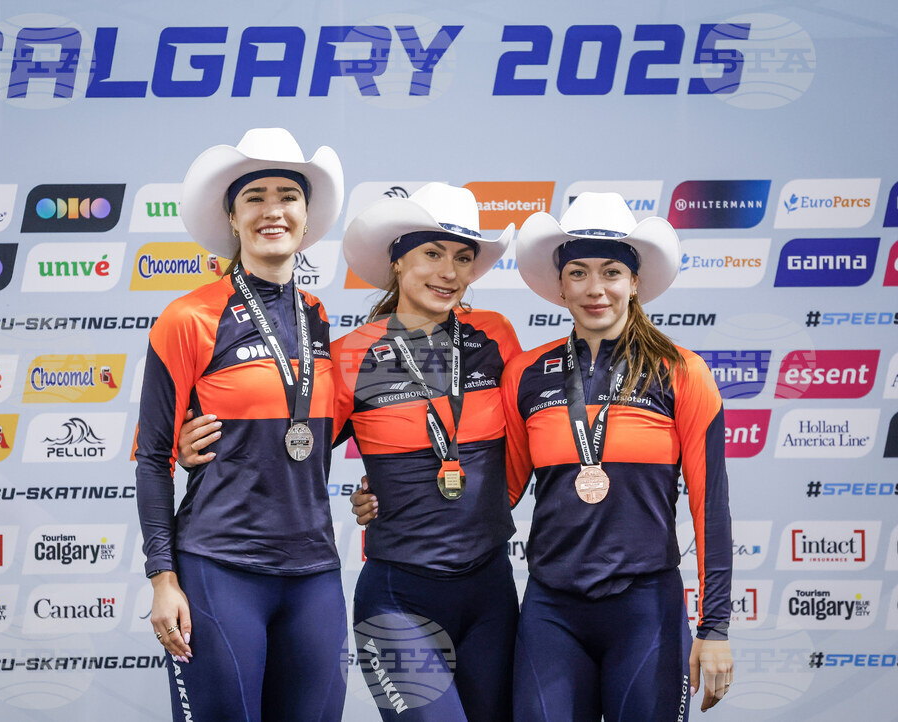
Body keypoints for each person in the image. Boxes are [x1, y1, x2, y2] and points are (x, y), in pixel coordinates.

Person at [135, 127, 348, 721]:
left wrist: (383, 490)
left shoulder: (319, 319)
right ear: (232, 217)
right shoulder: (188, 317)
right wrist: (162, 578)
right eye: (254, 197)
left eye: (288, 195)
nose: (272, 210)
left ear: (306, 216)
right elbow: (152, 458)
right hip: (219, 569)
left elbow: (335, 425)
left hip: (314, 574)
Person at [503, 191, 733, 721]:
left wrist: (714, 627)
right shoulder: (525, 373)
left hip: (646, 610)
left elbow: (710, 508)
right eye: (578, 273)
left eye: (611, 272)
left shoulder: (682, 371)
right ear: (560, 285)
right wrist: (394, 498)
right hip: (552, 610)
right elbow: (499, 493)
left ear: (635, 281)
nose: (595, 289)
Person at [334, 182, 522, 721]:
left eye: (463, 258)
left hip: (490, 591)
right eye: (433, 254)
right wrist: (188, 442)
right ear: (397, 262)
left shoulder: (494, 335)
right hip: (399, 596)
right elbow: (290, 453)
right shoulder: (353, 353)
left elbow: (537, 434)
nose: (449, 272)